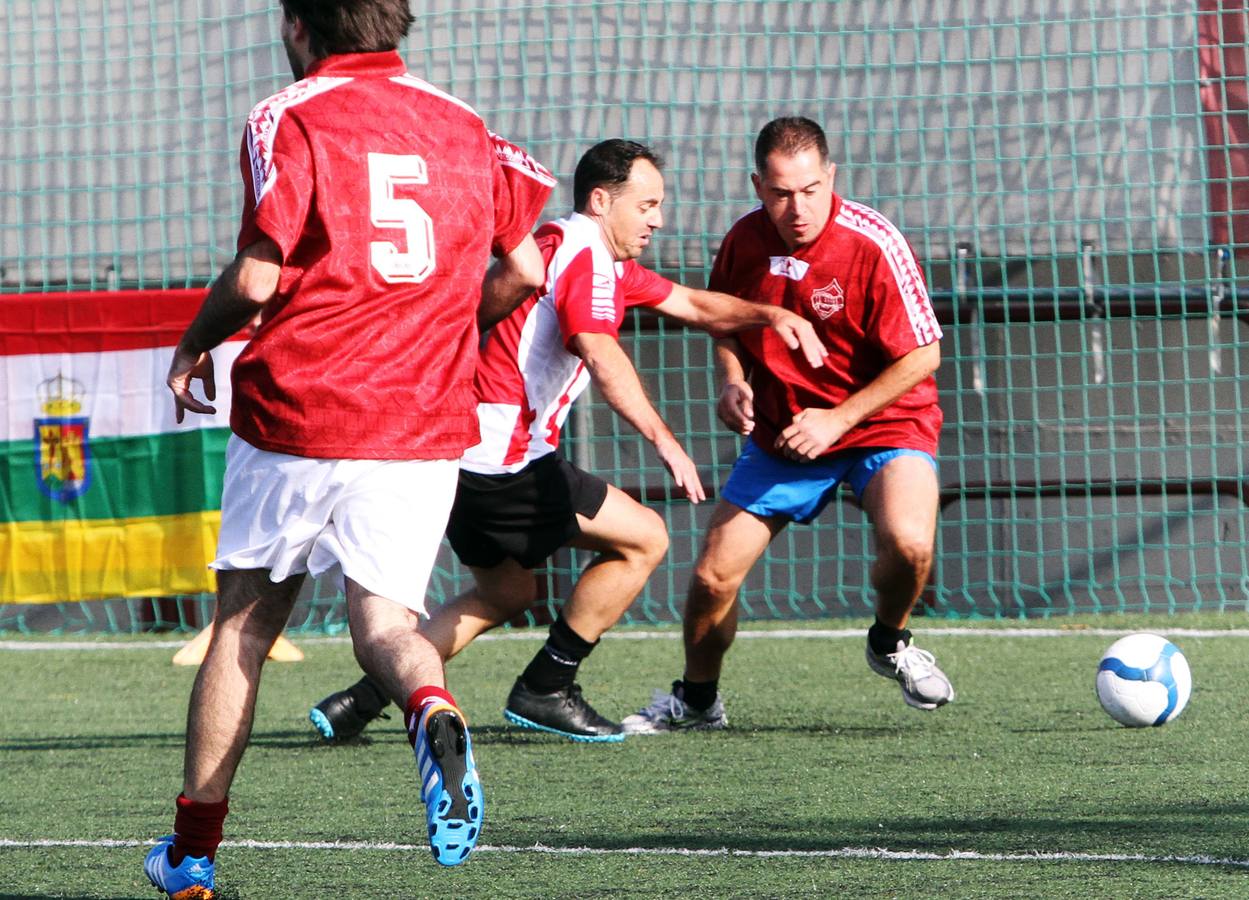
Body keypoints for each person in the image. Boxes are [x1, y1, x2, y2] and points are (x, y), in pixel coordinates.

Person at [143, 1, 553, 893]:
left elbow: (258, 274)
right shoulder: (466, 125)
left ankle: (192, 855)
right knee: (387, 628)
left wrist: (192, 345)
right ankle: (432, 707)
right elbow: (524, 269)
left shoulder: (286, 115)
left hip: (300, 409)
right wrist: (445, 330)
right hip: (417, 422)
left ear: (298, 23)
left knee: (244, 629)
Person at [309, 138, 827, 745]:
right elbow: (600, 352)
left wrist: (771, 316)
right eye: (647, 204)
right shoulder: (582, 255)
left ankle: (367, 696)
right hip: (503, 461)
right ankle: (548, 687)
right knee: (644, 539)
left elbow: (687, 302)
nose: (657, 218)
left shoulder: (579, 250)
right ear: (602, 201)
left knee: (507, 591)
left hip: (462, 454)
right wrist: (665, 439)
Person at [620, 116, 952, 734]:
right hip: (786, 436)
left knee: (910, 544)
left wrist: (840, 419)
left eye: (808, 191)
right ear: (757, 185)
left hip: (883, 422)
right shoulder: (745, 242)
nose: (795, 208)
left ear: (831, 177)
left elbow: (924, 354)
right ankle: (697, 702)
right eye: (779, 193)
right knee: (712, 577)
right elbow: (726, 325)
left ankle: (890, 640)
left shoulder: (874, 241)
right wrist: (733, 381)